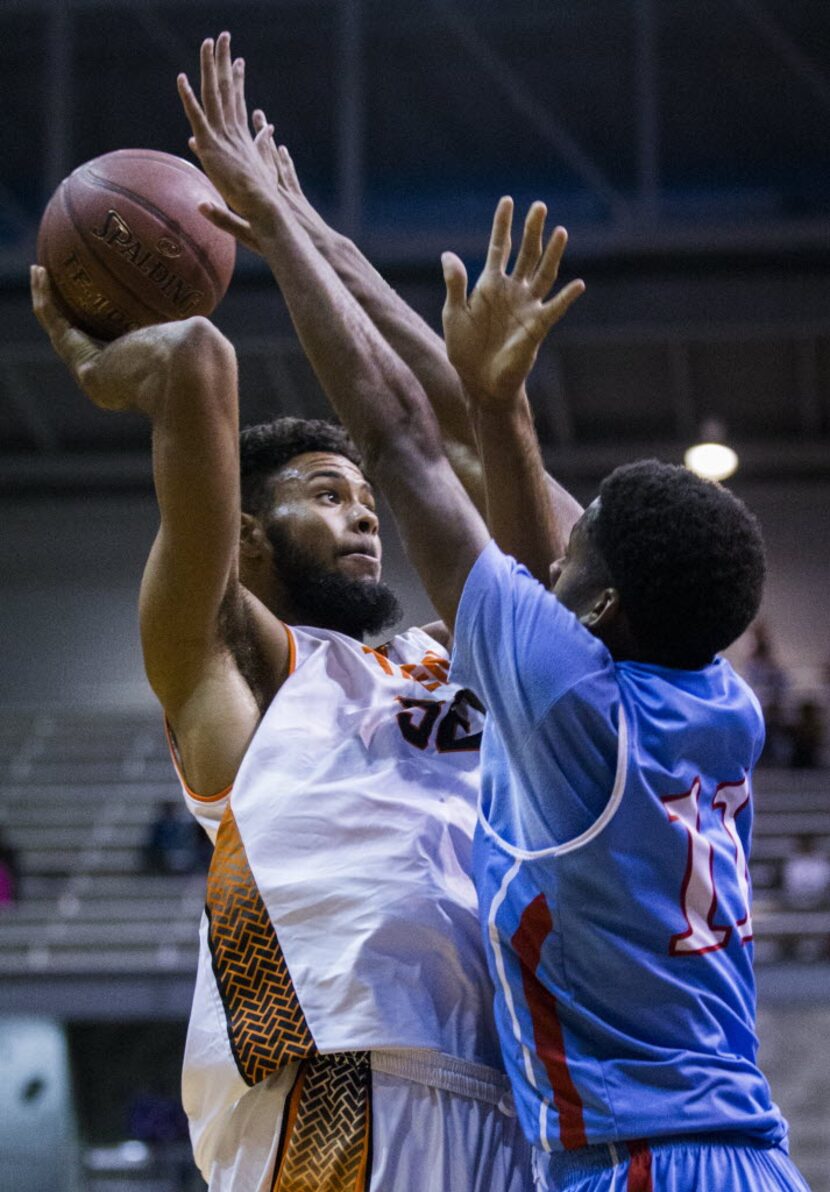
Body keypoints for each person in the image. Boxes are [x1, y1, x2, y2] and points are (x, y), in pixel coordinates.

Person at [178, 32, 809, 1190]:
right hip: (737, 1153)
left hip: (637, 1165)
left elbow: (404, 437)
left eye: (571, 557)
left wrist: (276, 229)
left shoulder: (567, 701)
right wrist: (328, 240)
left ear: (598, 601)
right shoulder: (706, 693)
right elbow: (474, 444)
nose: (547, 556)